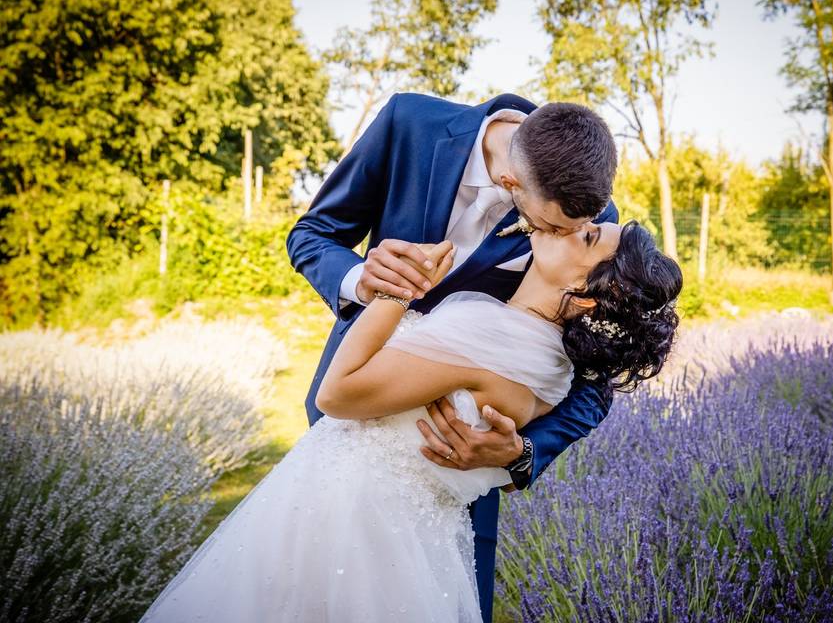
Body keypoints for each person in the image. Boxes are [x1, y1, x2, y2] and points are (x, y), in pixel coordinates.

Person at [141, 219, 682, 622]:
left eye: (588, 238)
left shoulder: (493, 335)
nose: (578, 224)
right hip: (413, 538)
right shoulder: (552, 364)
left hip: (342, 520)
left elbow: (339, 392)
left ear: (588, 299)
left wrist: (403, 288)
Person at [285, 93, 622, 622]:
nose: (561, 237)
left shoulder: (587, 219)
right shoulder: (408, 124)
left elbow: (597, 379)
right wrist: (361, 280)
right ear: (511, 183)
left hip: (454, 474)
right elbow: (312, 234)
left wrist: (520, 451)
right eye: (550, 228)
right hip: (349, 430)